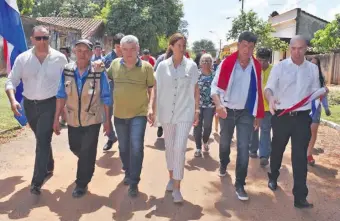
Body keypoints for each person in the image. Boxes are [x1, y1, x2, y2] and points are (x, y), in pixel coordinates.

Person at [265, 35, 327, 208]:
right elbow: (268, 88)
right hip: (282, 116)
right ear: (289, 49)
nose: (296, 52)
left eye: (300, 48)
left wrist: (321, 92)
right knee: (277, 150)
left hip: (302, 118)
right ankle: (273, 176)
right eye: (293, 48)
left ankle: (300, 196)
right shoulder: (280, 67)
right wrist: (270, 98)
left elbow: (314, 91)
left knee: (300, 157)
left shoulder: (312, 69)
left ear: (306, 49)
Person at [5, 26, 68, 195]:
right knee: (42, 138)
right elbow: (11, 81)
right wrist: (13, 101)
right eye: (38, 38)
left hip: (50, 104)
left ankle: (36, 181)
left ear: (49, 39)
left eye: (45, 38)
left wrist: (64, 110)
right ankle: (49, 164)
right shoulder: (23, 59)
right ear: (31, 39)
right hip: (29, 106)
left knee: (42, 140)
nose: (42, 41)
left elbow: (68, 83)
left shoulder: (60, 59)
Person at [53, 39, 112, 198]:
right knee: (75, 147)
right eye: (79, 50)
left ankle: (81, 183)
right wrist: (56, 118)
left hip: (92, 119)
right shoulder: (67, 70)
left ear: (92, 54)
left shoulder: (99, 71)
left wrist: (107, 121)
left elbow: (106, 97)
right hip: (72, 118)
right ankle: (88, 159)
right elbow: (60, 95)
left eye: (86, 51)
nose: (82, 54)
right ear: (74, 52)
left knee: (86, 150)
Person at [211, 31, 264, 201]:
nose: (247, 50)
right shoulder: (227, 63)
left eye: (251, 47)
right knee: (225, 143)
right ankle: (223, 162)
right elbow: (215, 88)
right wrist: (219, 105)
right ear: (238, 45)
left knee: (243, 148)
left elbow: (258, 92)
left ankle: (240, 183)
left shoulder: (255, 67)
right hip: (227, 111)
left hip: (246, 113)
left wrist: (257, 114)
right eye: (244, 45)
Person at [149, 33, 200, 203]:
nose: (182, 48)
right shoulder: (162, 66)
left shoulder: (191, 66)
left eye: (184, 45)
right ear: (171, 46)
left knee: (179, 147)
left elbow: (196, 89)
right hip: (167, 112)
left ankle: (177, 187)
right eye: (179, 45)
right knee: (170, 147)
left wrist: (197, 110)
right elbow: (155, 88)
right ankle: (171, 177)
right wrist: (152, 108)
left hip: (185, 111)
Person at [107, 35, 155, 197]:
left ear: (138, 49)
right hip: (119, 114)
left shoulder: (147, 67)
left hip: (138, 114)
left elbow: (151, 89)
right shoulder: (114, 65)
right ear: (120, 49)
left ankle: (134, 181)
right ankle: (128, 171)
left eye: (132, 49)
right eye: (125, 49)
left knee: (136, 146)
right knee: (123, 147)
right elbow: (105, 77)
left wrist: (150, 108)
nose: (128, 53)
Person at [249, 48, 273, 167]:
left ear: (269, 59)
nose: (262, 63)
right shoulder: (252, 69)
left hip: (267, 107)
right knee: (254, 128)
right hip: (254, 106)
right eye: (259, 60)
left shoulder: (274, 71)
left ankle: (264, 155)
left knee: (265, 130)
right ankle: (253, 150)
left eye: (264, 61)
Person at [102, 33, 125, 151]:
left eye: (122, 47)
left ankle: (125, 143)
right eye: (118, 47)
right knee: (105, 117)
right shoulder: (107, 59)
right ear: (114, 46)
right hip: (110, 92)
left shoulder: (130, 58)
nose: (120, 50)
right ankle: (111, 137)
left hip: (125, 94)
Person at [307, 57, 331, 165]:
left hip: (316, 108)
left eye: (315, 64)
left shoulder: (321, 79)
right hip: (305, 108)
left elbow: (324, 95)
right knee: (303, 131)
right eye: (311, 64)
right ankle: (301, 151)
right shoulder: (303, 77)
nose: (313, 66)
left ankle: (308, 154)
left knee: (313, 131)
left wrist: (326, 108)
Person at [193, 53, 215, 157]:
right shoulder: (196, 75)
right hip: (197, 105)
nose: (206, 63)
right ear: (200, 63)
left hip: (210, 106)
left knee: (207, 126)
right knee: (197, 126)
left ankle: (205, 141)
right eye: (204, 61)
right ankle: (198, 147)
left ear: (212, 63)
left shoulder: (215, 75)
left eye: (208, 61)